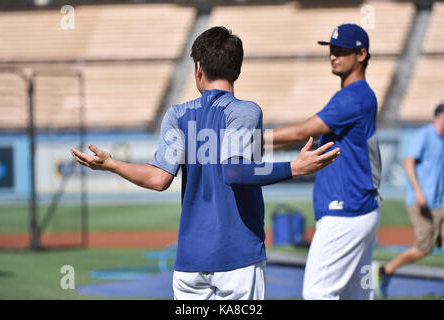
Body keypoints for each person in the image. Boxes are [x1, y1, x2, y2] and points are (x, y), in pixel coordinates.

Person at [71, 26, 340, 300]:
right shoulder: (245, 111)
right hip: (237, 258)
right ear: (237, 69)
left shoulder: (177, 115)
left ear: (198, 68)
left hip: (190, 262)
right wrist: (295, 168)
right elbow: (234, 172)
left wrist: (112, 164)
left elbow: (158, 179)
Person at [265, 24, 382, 300]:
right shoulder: (358, 95)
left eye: (341, 50)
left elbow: (300, 132)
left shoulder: (353, 97)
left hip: (346, 211)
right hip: (361, 209)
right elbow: (300, 136)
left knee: (318, 293)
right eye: (331, 49)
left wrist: (244, 139)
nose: (333, 55)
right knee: (356, 296)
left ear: (361, 55)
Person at [376, 103, 444, 297]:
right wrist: (418, 190)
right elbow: (408, 162)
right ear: (440, 116)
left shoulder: (442, 140)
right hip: (421, 201)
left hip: (439, 203)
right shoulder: (425, 135)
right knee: (424, 248)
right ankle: (386, 270)